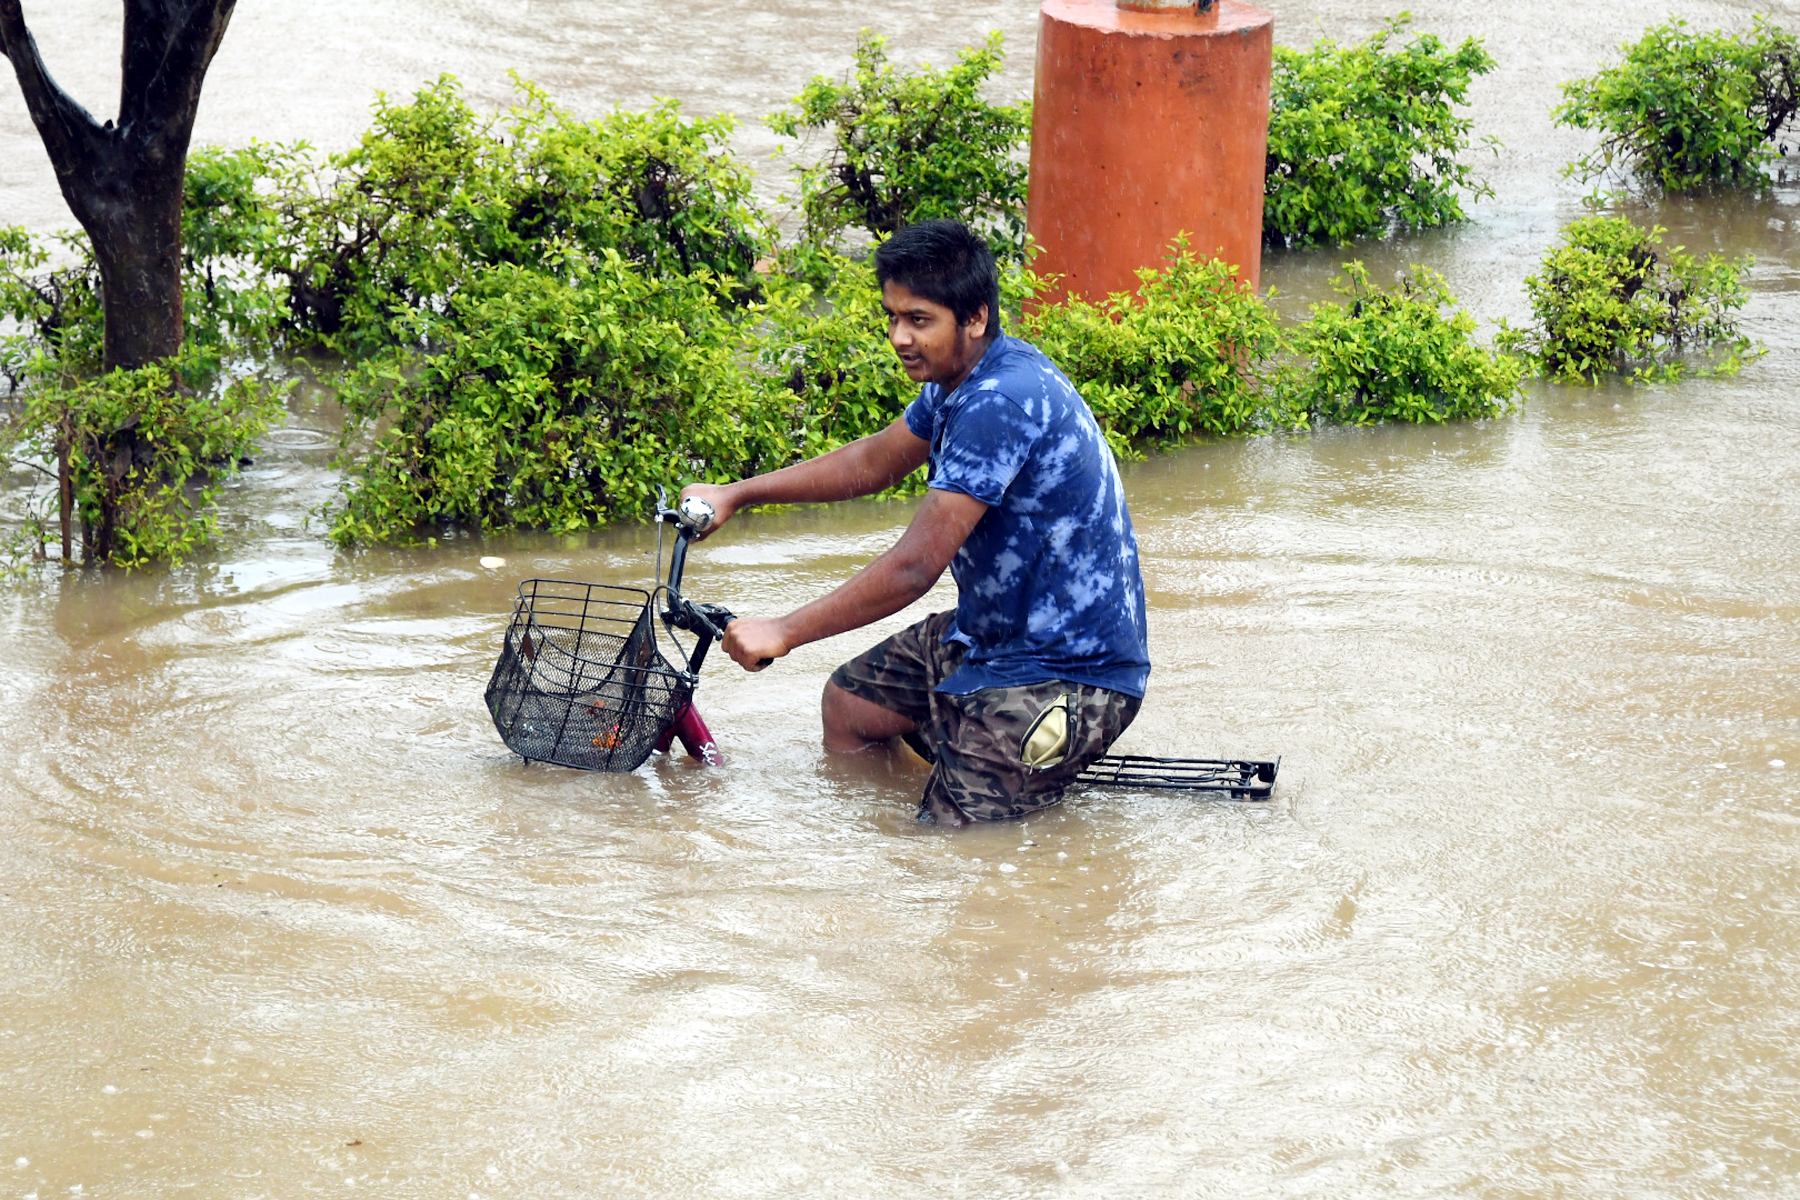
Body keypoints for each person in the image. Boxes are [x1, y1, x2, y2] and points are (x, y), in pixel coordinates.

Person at [680, 219, 1149, 825]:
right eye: (893, 317)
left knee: (948, 847)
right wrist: (738, 493)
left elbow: (913, 569)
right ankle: (923, 800)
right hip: (994, 634)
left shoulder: (998, 402)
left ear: (975, 318)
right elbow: (875, 461)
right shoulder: (959, 378)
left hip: (1069, 670)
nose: (901, 337)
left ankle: (969, 799)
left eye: (919, 320)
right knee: (850, 707)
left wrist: (785, 629)